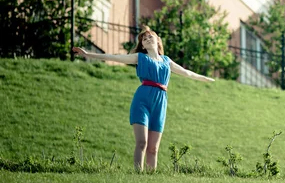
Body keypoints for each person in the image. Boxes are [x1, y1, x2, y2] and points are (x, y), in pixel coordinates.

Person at [72, 26, 215, 172]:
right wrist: (88, 54)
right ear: (142, 45)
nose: (146, 40)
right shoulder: (140, 57)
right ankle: (138, 175)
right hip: (142, 101)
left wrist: (205, 79)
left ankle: (151, 178)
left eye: (149, 37)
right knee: (142, 142)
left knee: (153, 148)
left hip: (160, 103)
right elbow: (114, 57)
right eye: (144, 39)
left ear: (158, 40)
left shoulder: (167, 61)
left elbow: (186, 73)